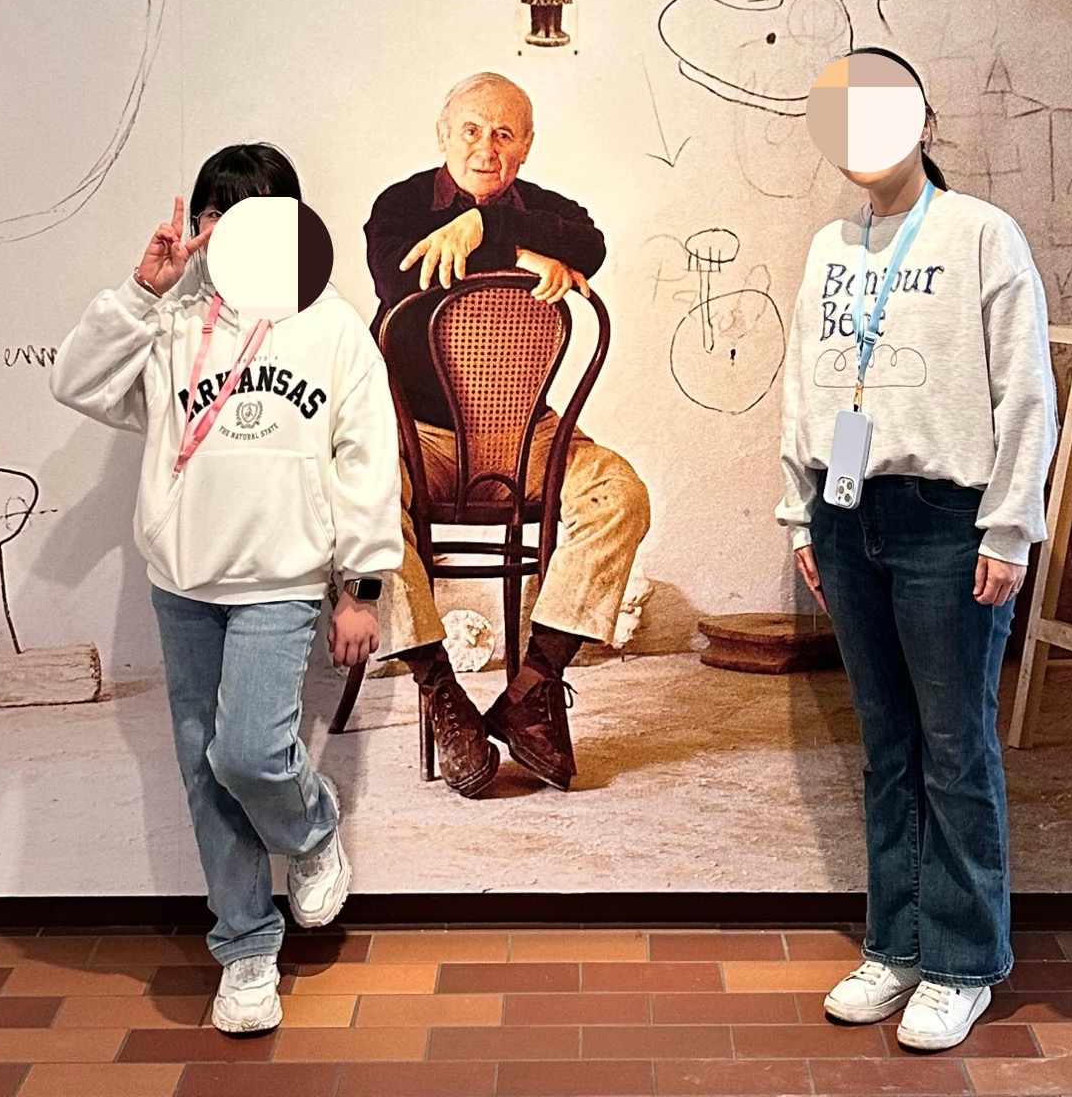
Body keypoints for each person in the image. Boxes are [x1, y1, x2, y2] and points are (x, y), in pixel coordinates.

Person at [51, 144, 402, 1037]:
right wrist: (144, 291)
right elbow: (77, 382)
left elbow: (367, 462)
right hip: (183, 582)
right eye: (216, 214)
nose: (228, 232)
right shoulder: (172, 320)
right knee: (202, 769)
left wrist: (359, 588)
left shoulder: (331, 326)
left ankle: (312, 831)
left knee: (247, 755)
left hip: (282, 580)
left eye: (252, 215)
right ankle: (246, 950)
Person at [777, 49, 1057, 1051]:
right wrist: (802, 510)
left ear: (925, 121)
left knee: (954, 745)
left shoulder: (982, 232)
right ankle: (895, 946)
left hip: (949, 519)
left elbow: (1025, 388)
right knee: (886, 744)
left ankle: (962, 961)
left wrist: (1009, 524)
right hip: (848, 514)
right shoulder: (830, 246)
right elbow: (805, 381)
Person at [364, 71, 651, 794]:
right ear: (442, 134)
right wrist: (520, 254)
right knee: (362, 504)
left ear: (526, 145)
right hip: (421, 438)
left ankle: (533, 686)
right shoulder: (399, 207)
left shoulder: (550, 210)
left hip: (528, 439)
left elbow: (590, 245)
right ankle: (444, 696)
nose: (485, 148)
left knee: (620, 494)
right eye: (470, 129)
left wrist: (485, 228)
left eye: (504, 133)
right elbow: (399, 279)